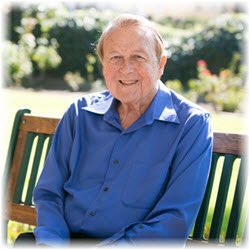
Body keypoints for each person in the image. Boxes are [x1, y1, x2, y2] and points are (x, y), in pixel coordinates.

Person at [18, 14, 213, 247]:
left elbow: (173, 221)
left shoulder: (191, 125)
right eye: (116, 58)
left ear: (160, 64)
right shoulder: (80, 114)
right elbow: (49, 193)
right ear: (103, 65)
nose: (126, 68)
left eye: (138, 57)